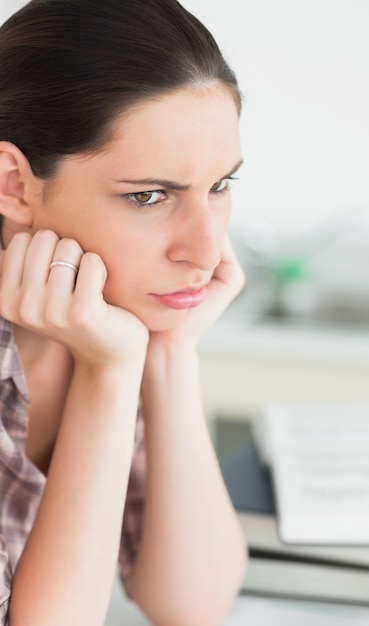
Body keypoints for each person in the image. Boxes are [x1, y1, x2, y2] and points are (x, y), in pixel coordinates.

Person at [0, 0, 248, 624]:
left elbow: (190, 604)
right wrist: (109, 376)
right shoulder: (105, 334)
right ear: (13, 184)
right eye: (148, 196)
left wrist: (168, 356)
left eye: (220, 187)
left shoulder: (108, 315)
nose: (206, 251)